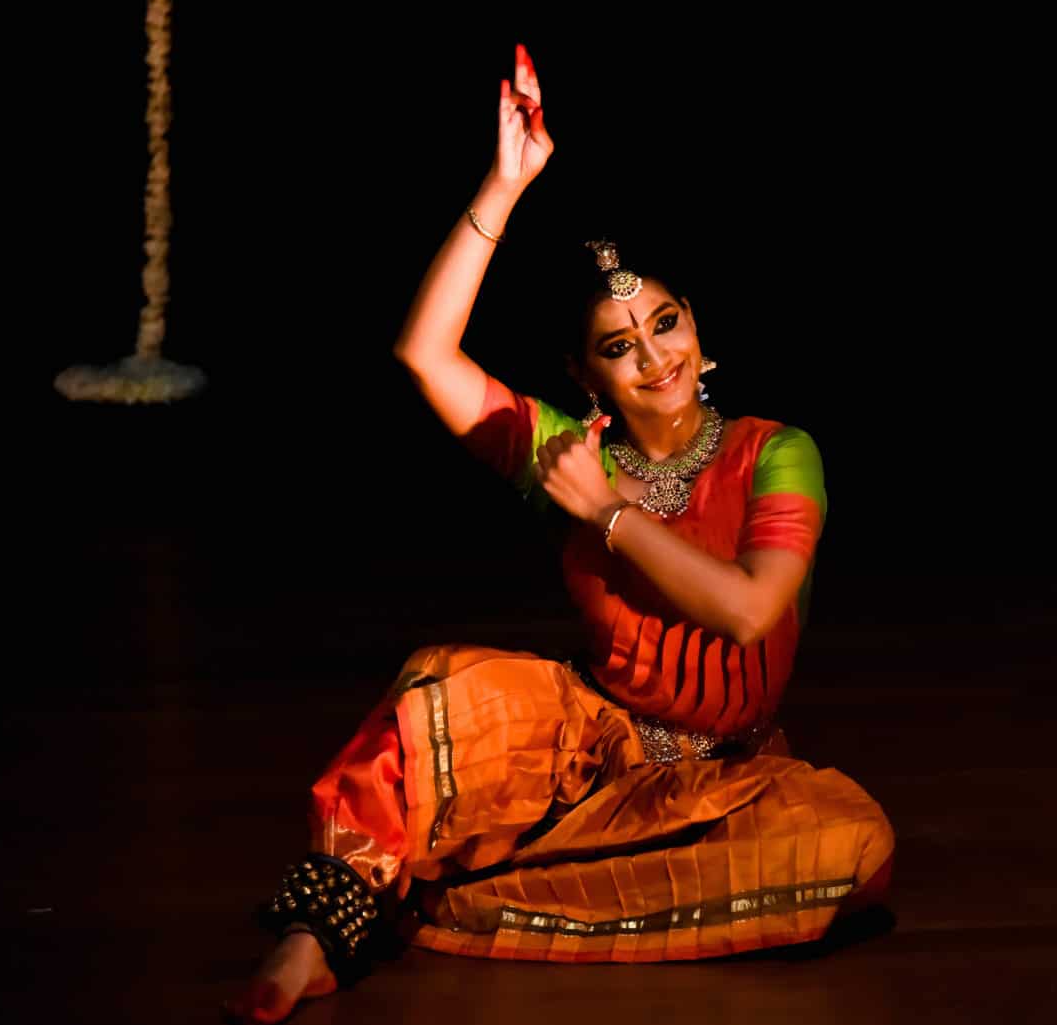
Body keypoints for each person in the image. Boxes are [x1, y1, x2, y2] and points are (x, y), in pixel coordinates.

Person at [224, 42, 895, 1024]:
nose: (655, 355)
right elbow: (424, 352)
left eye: (666, 323)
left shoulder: (777, 450)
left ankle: (446, 898)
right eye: (621, 346)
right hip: (593, 740)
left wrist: (610, 513)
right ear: (587, 376)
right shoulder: (562, 450)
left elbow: (752, 611)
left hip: (732, 773)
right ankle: (315, 934)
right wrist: (503, 186)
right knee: (434, 688)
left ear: (698, 327)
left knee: (853, 844)